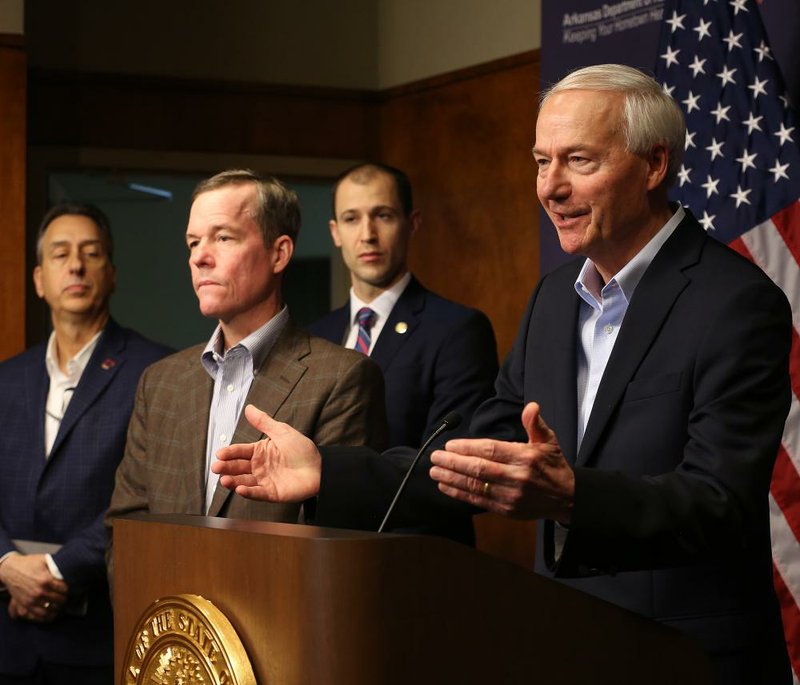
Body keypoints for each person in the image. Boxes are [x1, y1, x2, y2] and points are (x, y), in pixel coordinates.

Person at [212, 66, 793, 683]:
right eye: (541, 162)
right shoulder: (553, 301)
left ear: (654, 165)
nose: (550, 188)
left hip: (690, 662)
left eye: (578, 161)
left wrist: (572, 497)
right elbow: (472, 456)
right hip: (565, 646)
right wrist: (329, 470)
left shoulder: (734, 301)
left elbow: (720, 502)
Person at [107, 170, 386, 537]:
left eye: (223, 237)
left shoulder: (343, 378)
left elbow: (333, 545)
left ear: (279, 253)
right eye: (193, 243)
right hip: (165, 596)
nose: (200, 258)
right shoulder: (159, 382)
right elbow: (124, 530)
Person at [0, 203, 171, 684]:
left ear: (111, 274)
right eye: (60, 254)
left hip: (100, 638)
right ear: (39, 279)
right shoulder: (6, 380)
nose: (75, 265)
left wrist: (54, 569)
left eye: (90, 253)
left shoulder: (155, 373)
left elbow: (150, 499)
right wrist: (8, 564)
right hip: (8, 639)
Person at [310, 163, 497, 542]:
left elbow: (452, 470)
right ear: (335, 232)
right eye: (351, 218)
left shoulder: (457, 329)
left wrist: (328, 475)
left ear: (412, 223)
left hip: (414, 559)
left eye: (383, 215)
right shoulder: (315, 336)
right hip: (321, 556)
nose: (368, 235)